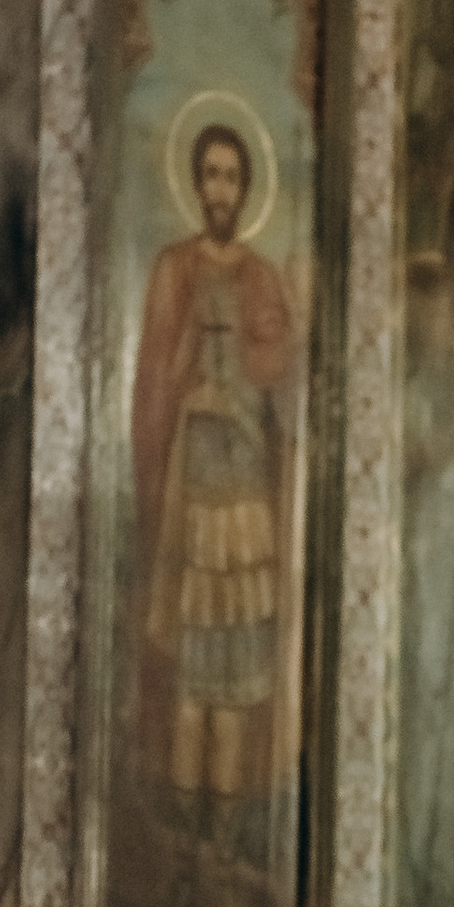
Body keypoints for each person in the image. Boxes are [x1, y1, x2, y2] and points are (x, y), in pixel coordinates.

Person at [131, 120, 290, 858]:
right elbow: (154, 383)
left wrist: (245, 396)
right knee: (193, 678)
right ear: (196, 185)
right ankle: (187, 853)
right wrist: (189, 394)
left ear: (245, 188)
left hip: (246, 506)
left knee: (234, 682)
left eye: (232, 176)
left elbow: (280, 379)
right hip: (191, 500)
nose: (220, 190)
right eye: (211, 175)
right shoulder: (173, 269)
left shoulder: (261, 279)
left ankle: (221, 851)